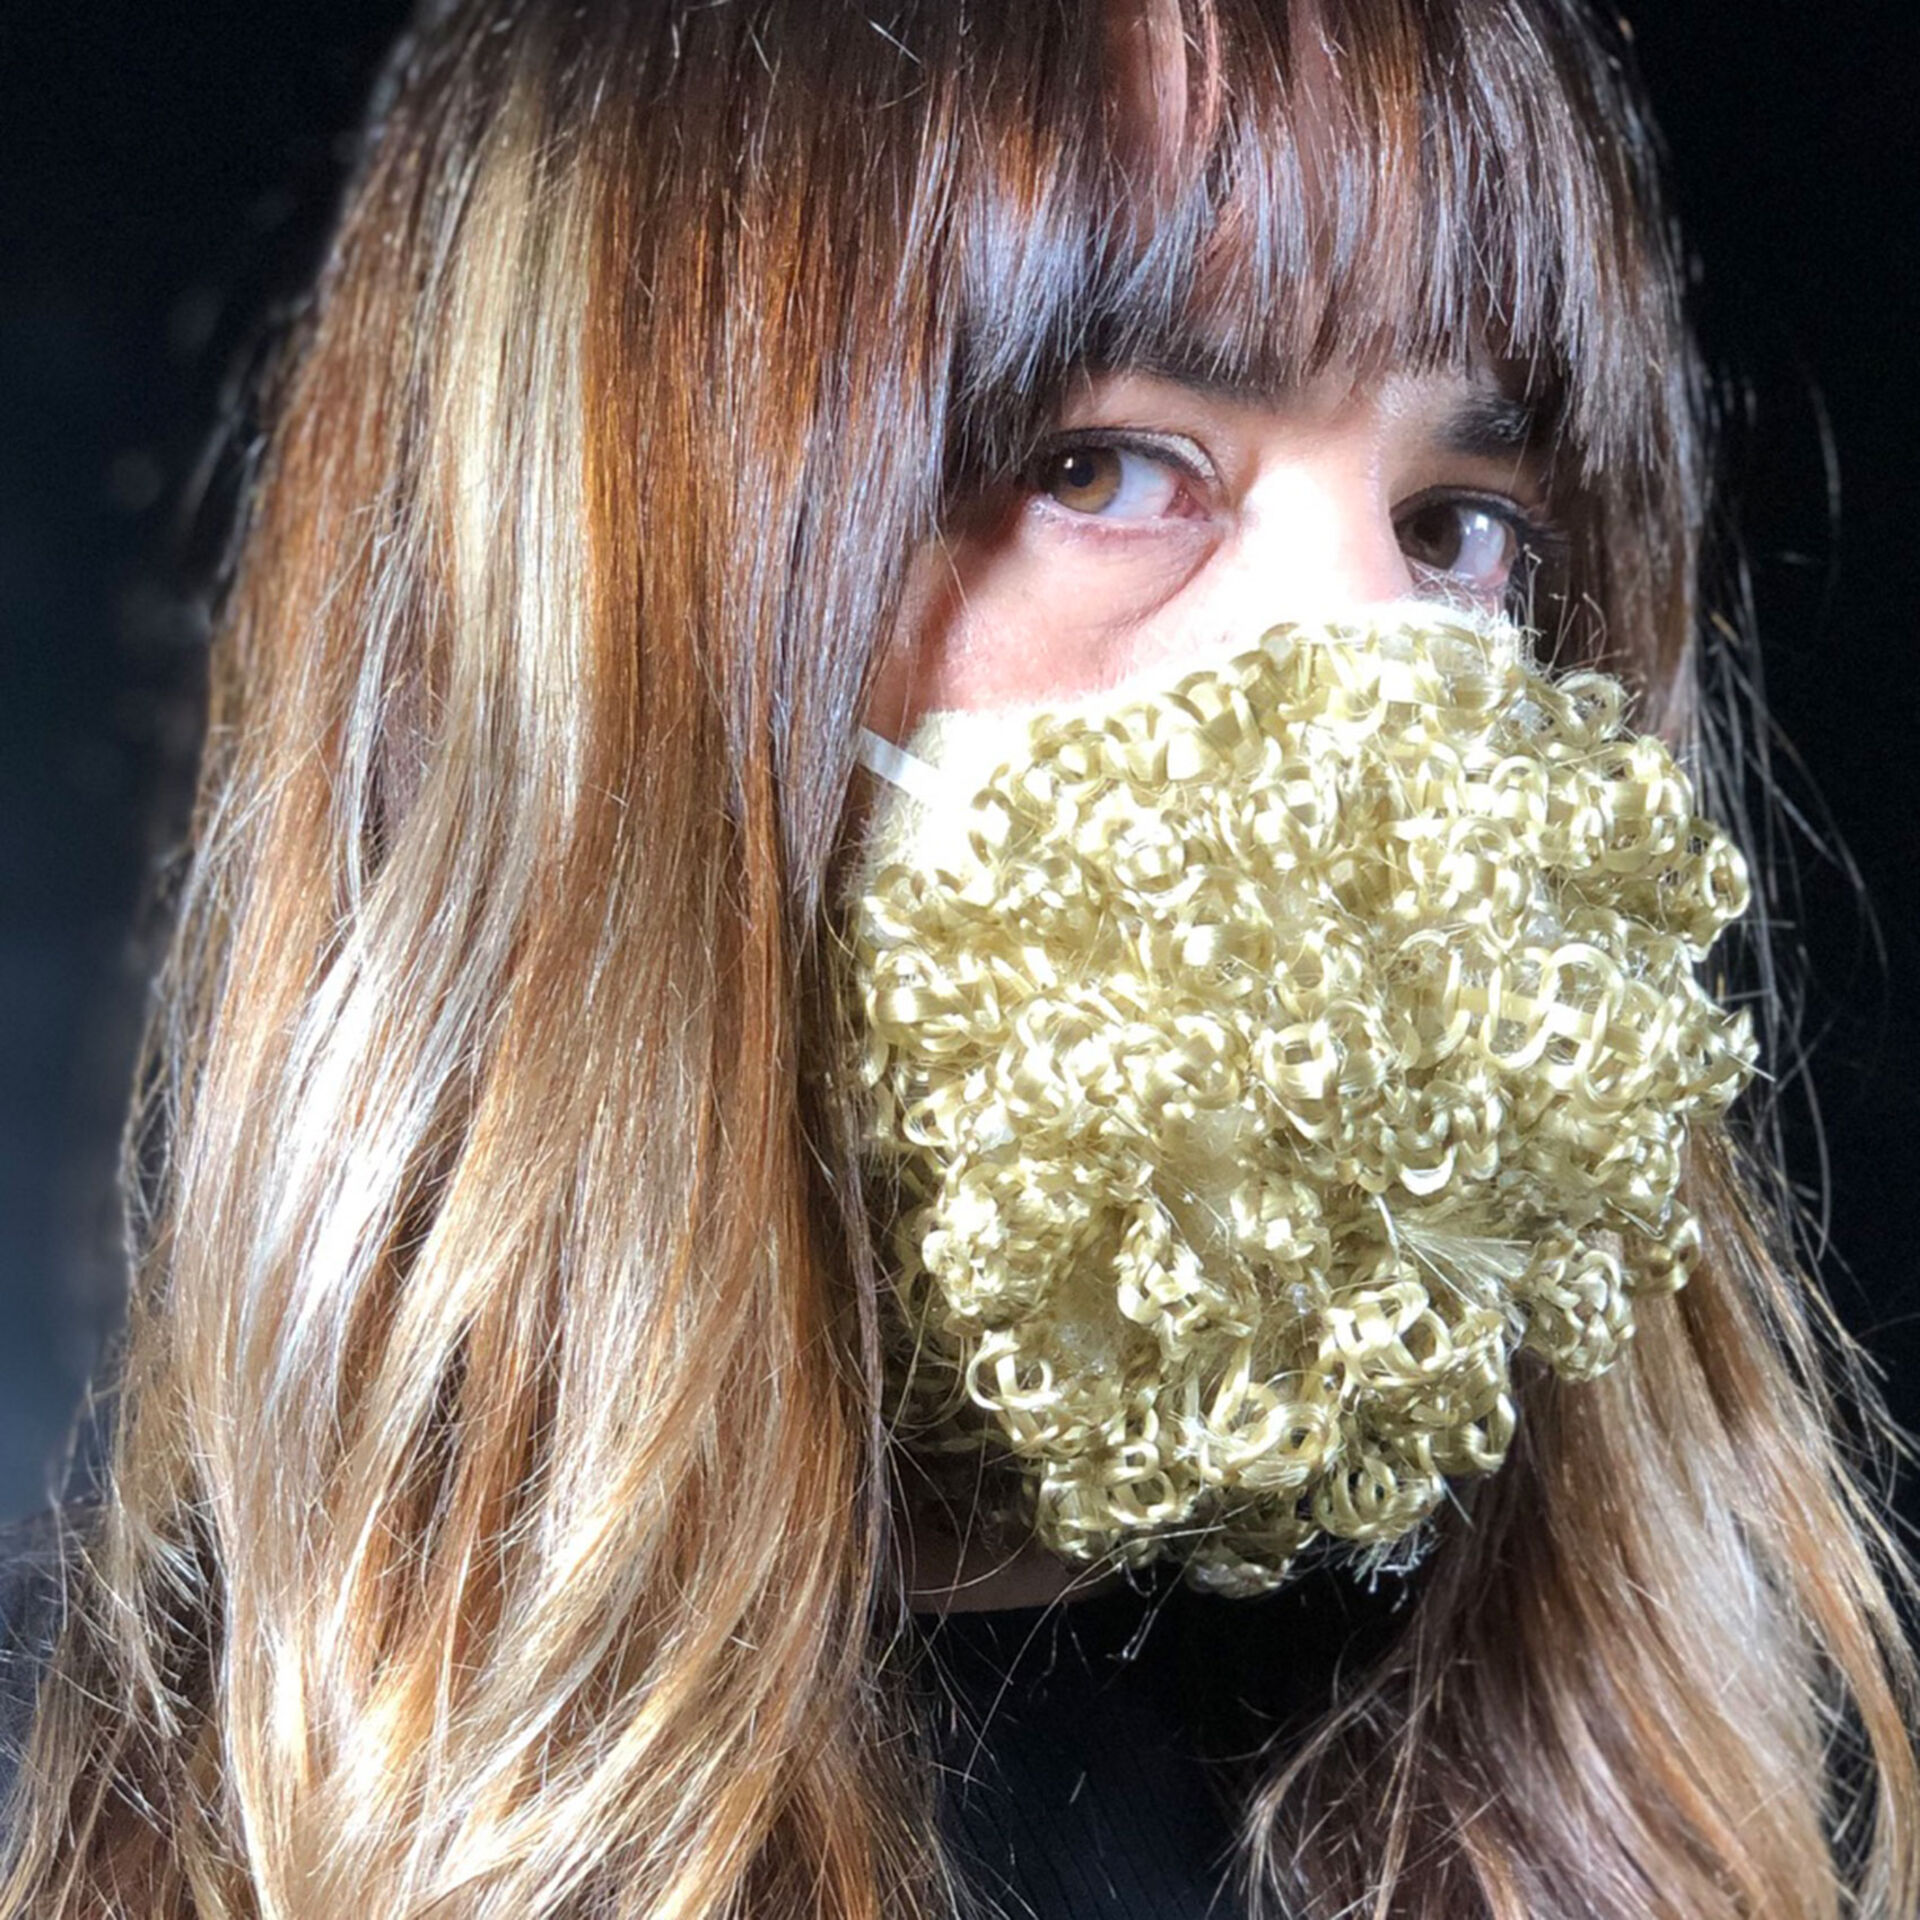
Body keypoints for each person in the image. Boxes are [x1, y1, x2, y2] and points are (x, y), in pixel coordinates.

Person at [3, 0, 1918, 1915]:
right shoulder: (76, 1825)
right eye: (1106, 470)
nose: (1379, 657)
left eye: (1457, 527)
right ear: (605, 599)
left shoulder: (1672, 1831)